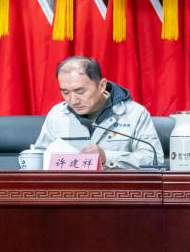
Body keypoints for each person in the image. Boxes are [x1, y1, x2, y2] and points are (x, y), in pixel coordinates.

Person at [33, 56, 163, 169]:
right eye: (65, 92)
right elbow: (39, 159)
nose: (73, 100)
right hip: (70, 188)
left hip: (117, 188)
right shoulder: (57, 114)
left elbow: (154, 160)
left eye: (80, 91)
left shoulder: (134, 114)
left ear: (101, 86)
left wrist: (106, 157)